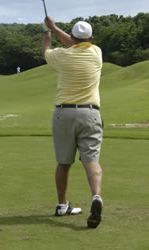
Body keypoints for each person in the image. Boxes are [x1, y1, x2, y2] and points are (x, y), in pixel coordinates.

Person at [42, 16, 103, 228]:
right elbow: (76, 43)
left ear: (73, 37)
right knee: (91, 160)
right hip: (90, 113)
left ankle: (62, 204)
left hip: (63, 114)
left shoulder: (63, 56)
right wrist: (55, 27)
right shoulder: (96, 53)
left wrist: (47, 31)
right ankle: (96, 197)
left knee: (64, 162)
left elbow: (46, 51)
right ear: (91, 39)